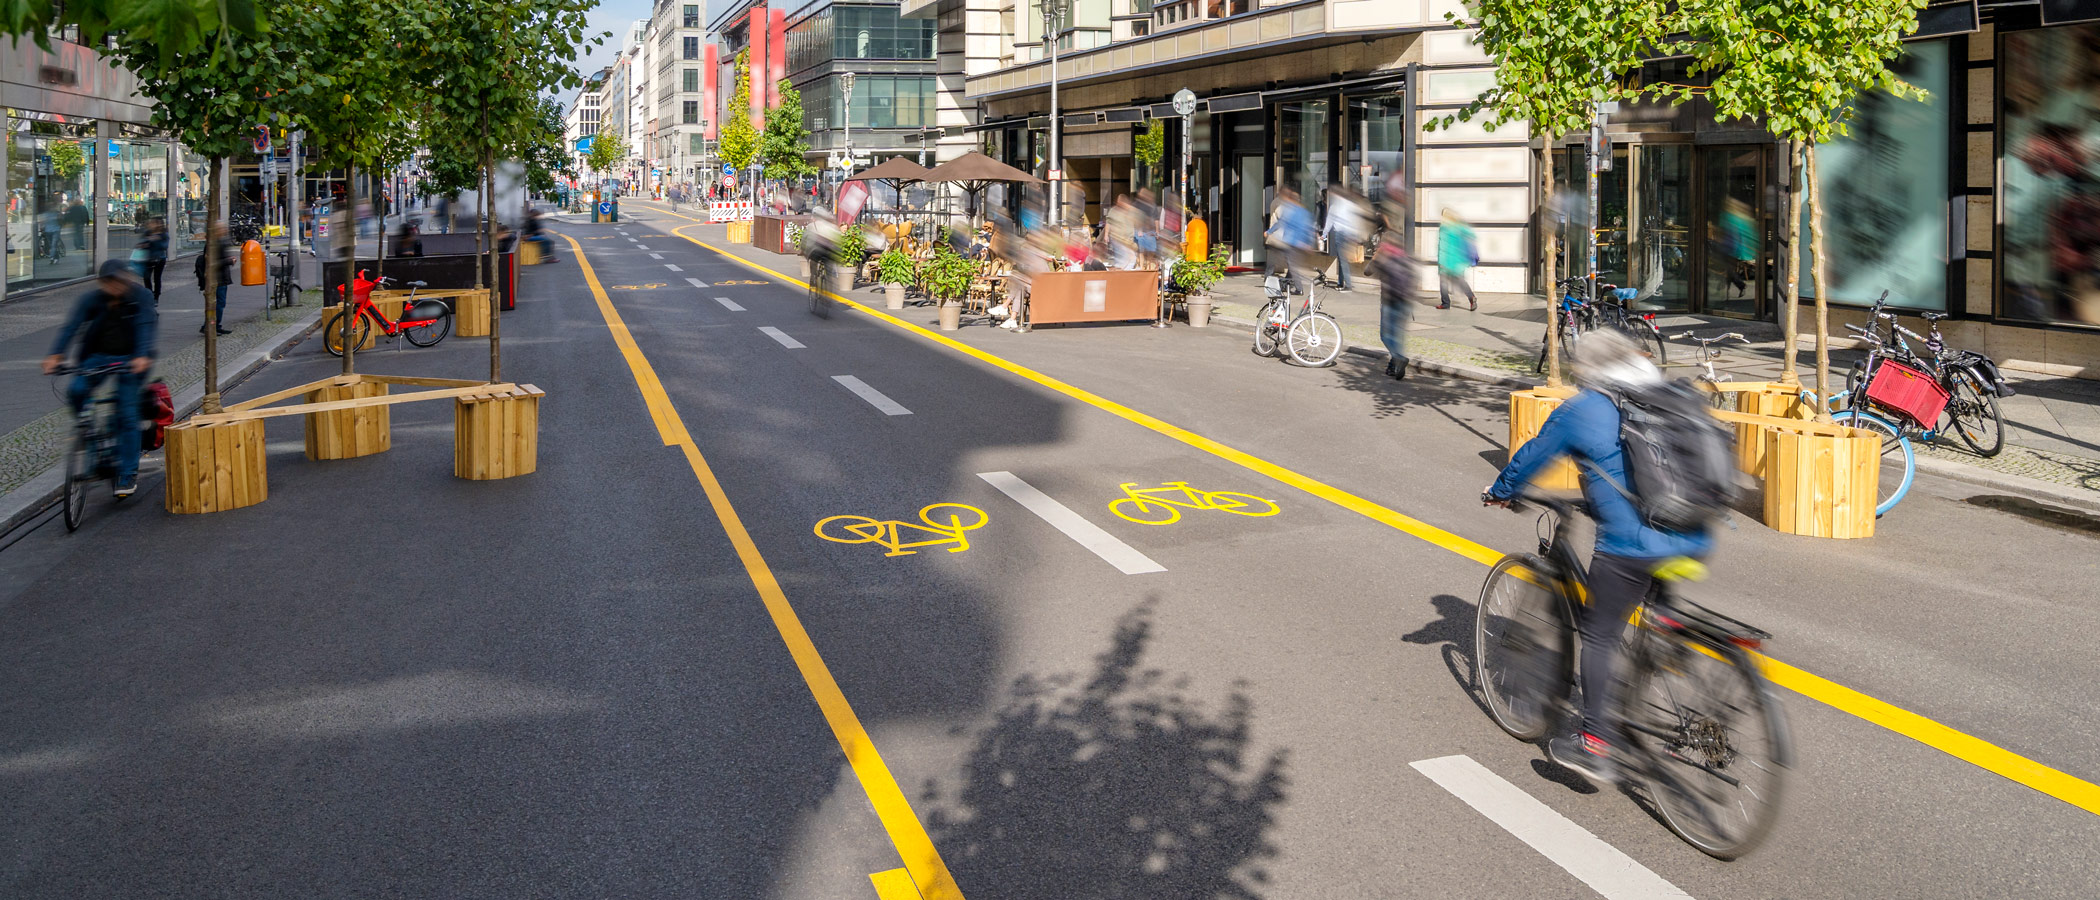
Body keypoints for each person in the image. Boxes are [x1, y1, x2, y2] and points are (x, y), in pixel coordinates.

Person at [1481, 330, 1713, 784]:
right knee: (1653, 617)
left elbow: (1534, 455)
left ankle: (1595, 742)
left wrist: (1501, 490)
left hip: (1634, 545)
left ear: (1588, 368)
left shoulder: (1586, 407)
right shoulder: (1662, 394)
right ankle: (1671, 666)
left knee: (1601, 634)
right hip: (1693, 532)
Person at [42, 260, 159, 498]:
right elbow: (71, 327)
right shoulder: (92, 299)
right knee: (76, 390)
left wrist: (142, 356)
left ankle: (127, 473)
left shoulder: (141, 297)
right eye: (109, 283)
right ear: (102, 283)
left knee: (126, 413)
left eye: (119, 282)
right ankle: (92, 441)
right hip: (98, 357)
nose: (115, 287)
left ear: (126, 280)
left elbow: (146, 325)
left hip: (131, 358)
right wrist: (56, 354)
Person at [1372, 211, 1417, 380]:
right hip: (1405, 298)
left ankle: (1399, 358)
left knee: (1385, 335)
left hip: (1390, 298)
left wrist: (1376, 258)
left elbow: (1367, 271)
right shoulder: (1401, 248)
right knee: (1397, 336)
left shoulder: (1383, 249)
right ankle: (1396, 368)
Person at [1266, 184, 1316, 298]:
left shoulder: (1290, 210)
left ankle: (1299, 288)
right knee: (1292, 265)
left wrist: (1269, 231)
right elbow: (1308, 227)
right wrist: (1308, 243)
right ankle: (1288, 283)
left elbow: (1281, 222)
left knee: (1292, 266)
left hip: (1292, 243)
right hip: (1300, 244)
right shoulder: (1303, 211)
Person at [1322, 184, 1370, 293]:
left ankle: (1348, 285)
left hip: (1340, 234)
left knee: (1342, 260)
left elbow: (1329, 221)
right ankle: (1340, 282)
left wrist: (1324, 234)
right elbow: (1355, 219)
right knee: (1341, 258)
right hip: (1349, 234)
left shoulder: (1334, 206)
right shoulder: (1350, 205)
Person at [193, 222, 234, 335]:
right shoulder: (213, 244)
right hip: (217, 278)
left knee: (219, 303)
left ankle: (215, 325)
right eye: (222, 228)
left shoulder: (219, 241)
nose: (225, 230)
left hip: (221, 278)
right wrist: (229, 261)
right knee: (217, 304)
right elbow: (212, 262)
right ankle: (210, 327)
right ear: (217, 230)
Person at [1436, 207, 1478, 311]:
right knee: (1460, 281)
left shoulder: (1444, 228)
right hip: (1458, 260)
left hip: (1446, 260)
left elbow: (1443, 247)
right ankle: (1471, 297)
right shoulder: (1459, 227)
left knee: (1443, 283)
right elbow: (1471, 236)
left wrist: (1441, 262)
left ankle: (1445, 303)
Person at [135, 216, 170, 298]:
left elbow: (164, 246)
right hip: (148, 258)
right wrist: (143, 245)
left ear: (159, 224)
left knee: (157, 278)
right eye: (151, 223)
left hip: (159, 259)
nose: (151, 224)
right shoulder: (148, 232)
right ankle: (149, 294)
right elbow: (141, 242)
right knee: (146, 277)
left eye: (154, 223)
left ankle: (156, 296)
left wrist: (155, 240)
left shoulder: (164, 234)